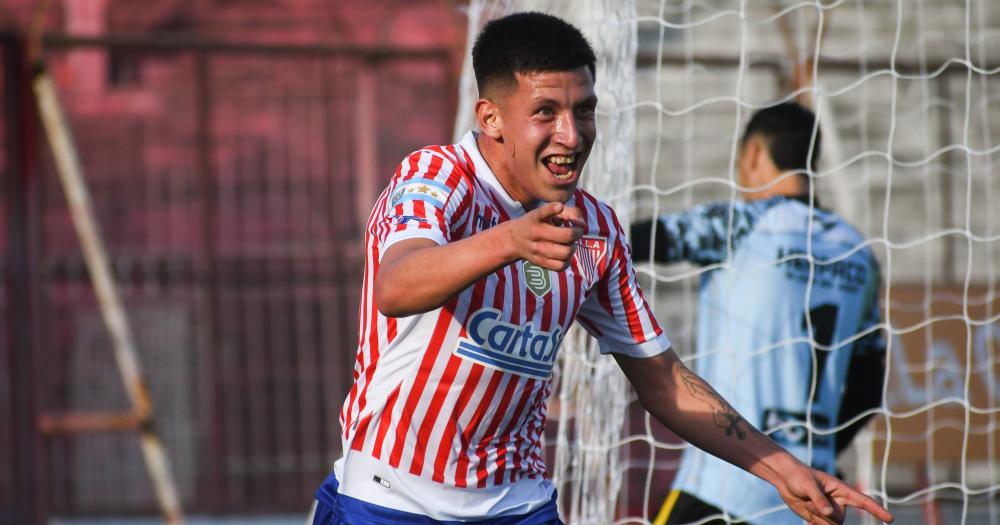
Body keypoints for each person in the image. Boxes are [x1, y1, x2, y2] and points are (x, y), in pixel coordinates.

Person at [312, 13, 893, 525]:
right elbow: (396, 285)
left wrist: (780, 467)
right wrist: (509, 240)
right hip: (389, 501)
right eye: (546, 112)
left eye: (583, 110)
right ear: (491, 118)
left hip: (517, 504)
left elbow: (663, 379)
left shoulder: (596, 229)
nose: (572, 134)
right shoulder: (435, 179)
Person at [631, 103, 888, 525]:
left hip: (726, 485)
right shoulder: (857, 251)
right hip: (811, 493)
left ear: (753, 154)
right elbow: (867, 386)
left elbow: (641, 239)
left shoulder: (741, 224)